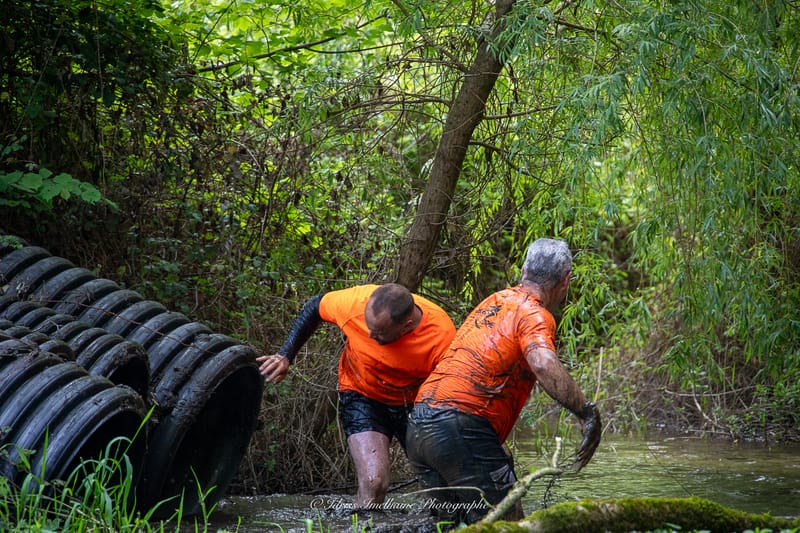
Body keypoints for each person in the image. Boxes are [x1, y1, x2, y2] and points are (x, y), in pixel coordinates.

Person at [405, 238, 602, 524]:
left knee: (450, 526)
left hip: (420, 424)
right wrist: (587, 412)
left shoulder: (493, 302)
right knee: (508, 526)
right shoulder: (535, 314)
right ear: (566, 280)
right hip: (459, 428)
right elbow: (544, 363)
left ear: (523, 271)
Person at [257, 283, 456, 509]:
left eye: (379, 333)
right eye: (368, 326)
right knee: (374, 482)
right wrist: (285, 355)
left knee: (440, 481)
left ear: (406, 326)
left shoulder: (441, 336)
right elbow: (314, 306)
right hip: (362, 394)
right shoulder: (353, 303)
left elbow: (451, 391)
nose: (370, 335)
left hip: (415, 402)